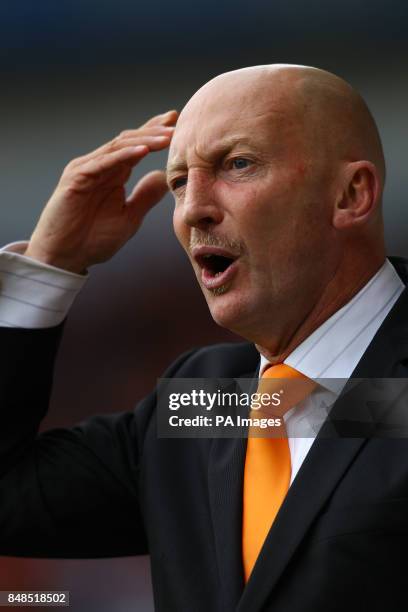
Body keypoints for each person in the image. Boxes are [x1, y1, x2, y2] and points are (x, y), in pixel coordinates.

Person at [1, 64, 407, 612]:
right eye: (177, 182)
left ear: (350, 194)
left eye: (237, 164)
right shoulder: (205, 402)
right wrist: (49, 264)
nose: (193, 208)